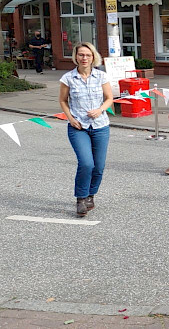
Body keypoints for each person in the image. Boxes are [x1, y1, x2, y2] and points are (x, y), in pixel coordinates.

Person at [58, 42, 113, 217]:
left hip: (100, 126)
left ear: (93, 57)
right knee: (86, 163)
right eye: (81, 55)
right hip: (78, 127)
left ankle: (91, 195)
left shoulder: (101, 76)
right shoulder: (68, 78)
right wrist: (70, 118)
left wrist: (100, 109)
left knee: (99, 166)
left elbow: (109, 98)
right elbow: (63, 101)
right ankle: (81, 198)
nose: (84, 58)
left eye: (88, 55)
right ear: (76, 57)